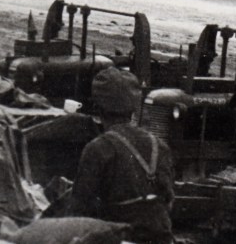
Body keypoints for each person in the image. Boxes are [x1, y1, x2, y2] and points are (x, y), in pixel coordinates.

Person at [70, 69, 174, 244]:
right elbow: (168, 200)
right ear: (133, 108)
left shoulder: (98, 148)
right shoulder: (160, 145)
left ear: (97, 108)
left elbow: (79, 210)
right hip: (160, 237)